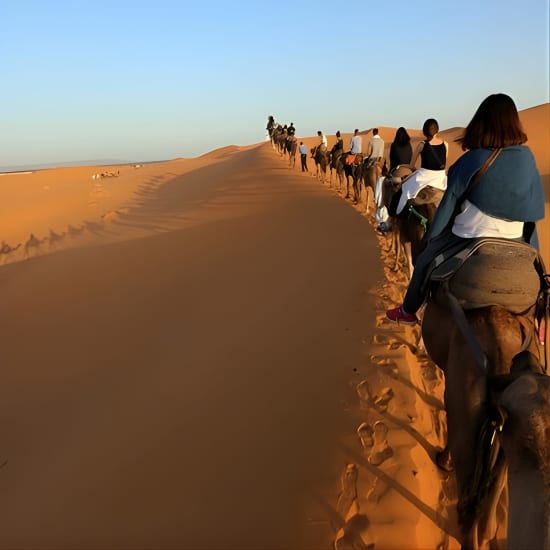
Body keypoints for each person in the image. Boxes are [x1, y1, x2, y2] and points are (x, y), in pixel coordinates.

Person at [386, 93, 545, 325]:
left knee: (424, 261)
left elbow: (447, 207)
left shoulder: (470, 159)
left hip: (468, 235)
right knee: (542, 280)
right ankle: (541, 319)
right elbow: (531, 214)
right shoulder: (528, 159)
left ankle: (409, 310)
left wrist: (432, 238)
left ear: (480, 123)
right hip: (516, 238)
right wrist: (535, 255)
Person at [393, 118, 448, 215]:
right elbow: (443, 164)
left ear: (424, 132)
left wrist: (402, 165)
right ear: (437, 130)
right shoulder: (445, 144)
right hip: (441, 180)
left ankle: (396, 215)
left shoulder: (422, 145)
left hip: (423, 177)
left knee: (404, 188)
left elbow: (411, 165)